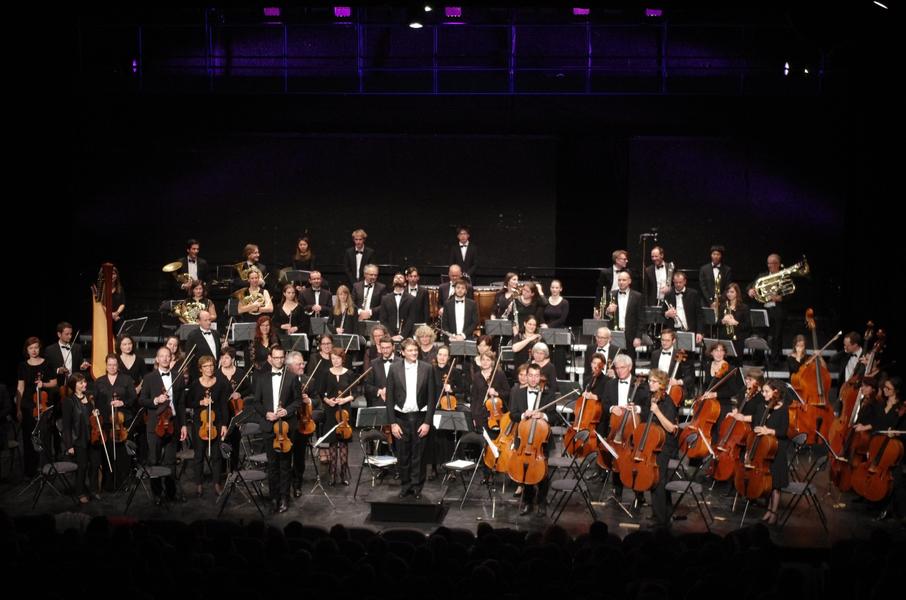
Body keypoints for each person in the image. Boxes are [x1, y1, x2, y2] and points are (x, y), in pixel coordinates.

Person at [251, 345, 300, 513]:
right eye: (276, 357)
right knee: (272, 465)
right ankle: (274, 498)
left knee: (285, 464)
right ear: (270, 358)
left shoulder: (292, 377)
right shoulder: (261, 378)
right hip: (269, 425)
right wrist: (267, 414)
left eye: (281, 357)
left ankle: (284, 498)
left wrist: (286, 411)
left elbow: (298, 401)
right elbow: (256, 402)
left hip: (286, 426)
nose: (279, 360)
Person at [386, 338, 436, 499]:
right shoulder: (394, 369)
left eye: (415, 350)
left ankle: (417, 487)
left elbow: (431, 399)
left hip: (420, 418)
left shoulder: (427, 368)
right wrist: (393, 423)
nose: (414, 353)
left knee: (418, 455)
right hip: (400, 419)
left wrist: (428, 422)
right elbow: (389, 399)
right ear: (402, 352)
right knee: (403, 455)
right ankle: (405, 485)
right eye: (410, 350)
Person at [139, 346, 188, 505]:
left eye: (168, 356)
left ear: (171, 359)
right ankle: (157, 493)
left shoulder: (178, 377)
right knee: (154, 459)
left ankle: (171, 492)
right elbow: (142, 400)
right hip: (155, 424)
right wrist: (155, 401)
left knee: (170, 460)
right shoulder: (149, 378)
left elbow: (180, 403)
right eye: (162, 356)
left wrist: (184, 425)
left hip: (173, 423)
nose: (166, 359)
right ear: (157, 359)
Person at [509, 363, 556, 516]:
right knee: (525, 472)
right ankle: (528, 503)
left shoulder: (548, 394)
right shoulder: (517, 393)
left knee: (543, 474)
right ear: (526, 376)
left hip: (541, 441)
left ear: (540, 376)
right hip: (523, 439)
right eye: (531, 375)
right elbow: (512, 414)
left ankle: (541, 503)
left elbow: (555, 417)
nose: (534, 379)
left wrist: (543, 415)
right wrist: (524, 415)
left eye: (537, 375)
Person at [93, 353, 137, 491]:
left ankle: (124, 482)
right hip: (106, 422)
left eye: (115, 365)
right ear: (106, 365)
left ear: (118, 365)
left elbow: (133, 398)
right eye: (109, 364)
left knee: (123, 453)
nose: (112, 367)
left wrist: (122, 402)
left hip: (122, 422)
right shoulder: (99, 381)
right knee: (107, 454)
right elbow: (95, 401)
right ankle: (109, 483)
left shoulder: (127, 379)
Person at [189, 355, 229, 498]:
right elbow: (188, 402)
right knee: (199, 455)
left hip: (216, 423)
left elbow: (224, 406)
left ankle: (217, 483)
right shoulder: (195, 384)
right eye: (206, 366)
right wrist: (200, 403)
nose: (209, 368)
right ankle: (199, 484)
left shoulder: (221, 383)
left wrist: (224, 424)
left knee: (217, 456)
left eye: (211, 365)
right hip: (200, 424)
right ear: (201, 369)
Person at [16, 336, 57, 477]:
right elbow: (20, 388)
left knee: (45, 437)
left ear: (40, 348)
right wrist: (18, 409)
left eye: (36, 347)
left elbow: (54, 382)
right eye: (31, 348)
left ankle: (46, 468)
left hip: (44, 405)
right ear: (27, 350)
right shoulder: (22, 365)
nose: (34, 350)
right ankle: (31, 471)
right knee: (29, 437)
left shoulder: (47, 364)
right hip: (27, 406)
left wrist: (43, 384)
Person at [752, 379, 790, 525]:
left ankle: (774, 512)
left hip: (777, 449)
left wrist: (769, 431)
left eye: (766, 391)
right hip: (763, 449)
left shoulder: (783, 409)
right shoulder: (762, 406)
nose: (763, 394)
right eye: (763, 391)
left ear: (775, 392)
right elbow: (755, 424)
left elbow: (783, 431)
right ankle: (768, 510)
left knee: (776, 485)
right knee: (768, 482)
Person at [646, 369, 679, 527]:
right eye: (649, 380)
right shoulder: (653, 397)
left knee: (658, 481)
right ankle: (664, 513)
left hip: (664, 445)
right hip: (654, 443)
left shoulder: (667, 402)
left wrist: (658, 412)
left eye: (653, 381)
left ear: (662, 384)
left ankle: (661, 520)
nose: (650, 383)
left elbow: (672, 428)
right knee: (657, 479)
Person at [61, 373, 101, 504]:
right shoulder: (68, 401)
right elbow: (66, 426)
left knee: (95, 465)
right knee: (82, 467)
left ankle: (94, 490)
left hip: (93, 437)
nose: (84, 384)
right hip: (78, 439)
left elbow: (90, 416)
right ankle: (80, 492)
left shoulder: (89, 398)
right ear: (74, 385)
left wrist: (95, 413)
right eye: (81, 383)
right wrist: (69, 445)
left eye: (84, 382)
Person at [321, 348, 355, 486]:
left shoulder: (350, 373)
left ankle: (343, 474)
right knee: (333, 443)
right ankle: (333, 473)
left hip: (345, 411)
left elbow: (354, 394)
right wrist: (327, 400)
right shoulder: (325, 373)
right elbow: (321, 393)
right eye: (333, 358)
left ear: (342, 359)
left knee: (344, 443)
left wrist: (345, 400)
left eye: (338, 358)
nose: (335, 361)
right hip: (331, 410)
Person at [747, 254, 786, 366]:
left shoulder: (783, 276)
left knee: (777, 336)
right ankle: (758, 359)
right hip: (763, 310)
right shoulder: (762, 276)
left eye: (772, 263)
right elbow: (751, 285)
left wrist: (780, 297)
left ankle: (775, 361)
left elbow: (790, 292)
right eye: (768, 263)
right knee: (760, 335)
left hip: (777, 311)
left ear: (778, 264)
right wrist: (750, 290)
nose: (770, 266)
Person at [470, 350, 511, 433]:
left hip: (495, 413)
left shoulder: (499, 374)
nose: (485, 362)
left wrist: (496, 393)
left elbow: (508, 393)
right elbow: (474, 398)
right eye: (483, 360)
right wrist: (473, 416)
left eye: (488, 360)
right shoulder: (477, 376)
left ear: (492, 362)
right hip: (479, 413)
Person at [44, 321, 91, 391]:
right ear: (59, 334)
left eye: (71, 334)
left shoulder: (77, 347)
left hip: (75, 385)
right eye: (67, 334)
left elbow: (80, 365)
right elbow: (47, 370)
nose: (70, 336)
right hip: (58, 387)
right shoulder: (50, 350)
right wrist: (58, 370)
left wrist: (82, 367)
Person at [649, 329, 694, 400]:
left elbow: (690, 377)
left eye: (667, 340)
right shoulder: (655, 354)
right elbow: (652, 373)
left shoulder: (681, 355)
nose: (664, 343)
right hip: (657, 390)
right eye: (663, 340)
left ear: (673, 341)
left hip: (673, 390)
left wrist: (677, 382)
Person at [662, 271, 703, 345]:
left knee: (688, 354)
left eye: (680, 282)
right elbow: (663, 312)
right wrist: (667, 314)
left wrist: (699, 332)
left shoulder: (694, 294)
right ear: (673, 282)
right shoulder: (668, 294)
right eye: (676, 282)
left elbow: (699, 315)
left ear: (685, 281)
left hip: (689, 330)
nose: (678, 284)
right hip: (673, 331)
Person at [605, 272, 643, 350]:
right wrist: (608, 311)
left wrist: (638, 337)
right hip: (614, 334)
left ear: (629, 281)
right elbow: (607, 316)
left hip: (630, 335)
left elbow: (641, 318)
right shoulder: (611, 294)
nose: (621, 282)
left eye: (624, 280)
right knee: (614, 359)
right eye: (619, 280)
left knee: (629, 360)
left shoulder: (637, 296)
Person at [719, 282, 751, 362]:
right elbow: (717, 322)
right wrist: (722, 321)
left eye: (732, 292)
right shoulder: (723, 306)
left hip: (738, 340)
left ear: (737, 293)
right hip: (725, 338)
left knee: (736, 364)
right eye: (728, 292)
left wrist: (735, 323)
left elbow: (748, 325)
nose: (729, 294)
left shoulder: (744, 307)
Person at [380, 272, 415, 340]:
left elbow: (411, 319)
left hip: (406, 336)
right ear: (393, 282)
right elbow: (383, 320)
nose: (398, 278)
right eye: (396, 277)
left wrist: (402, 335)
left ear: (405, 283)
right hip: (389, 336)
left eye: (401, 277)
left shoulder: (411, 299)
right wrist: (391, 335)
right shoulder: (385, 299)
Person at [698, 245, 733, 313]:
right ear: (711, 255)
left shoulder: (727, 270)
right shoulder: (704, 269)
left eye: (718, 254)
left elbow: (727, 287)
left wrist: (718, 301)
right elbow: (703, 287)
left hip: (722, 303)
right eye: (714, 254)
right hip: (706, 302)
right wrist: (710, 302)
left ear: (721, 256)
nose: (716, 256)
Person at [364, 338, 396, 408]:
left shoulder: (401, 362)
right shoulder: (373, 363)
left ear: (393, 347)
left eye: (388, 347)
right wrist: (380, 391)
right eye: (383, 348)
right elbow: (367, 385)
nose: (385, 350)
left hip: (397, 403)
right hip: (379, 402)